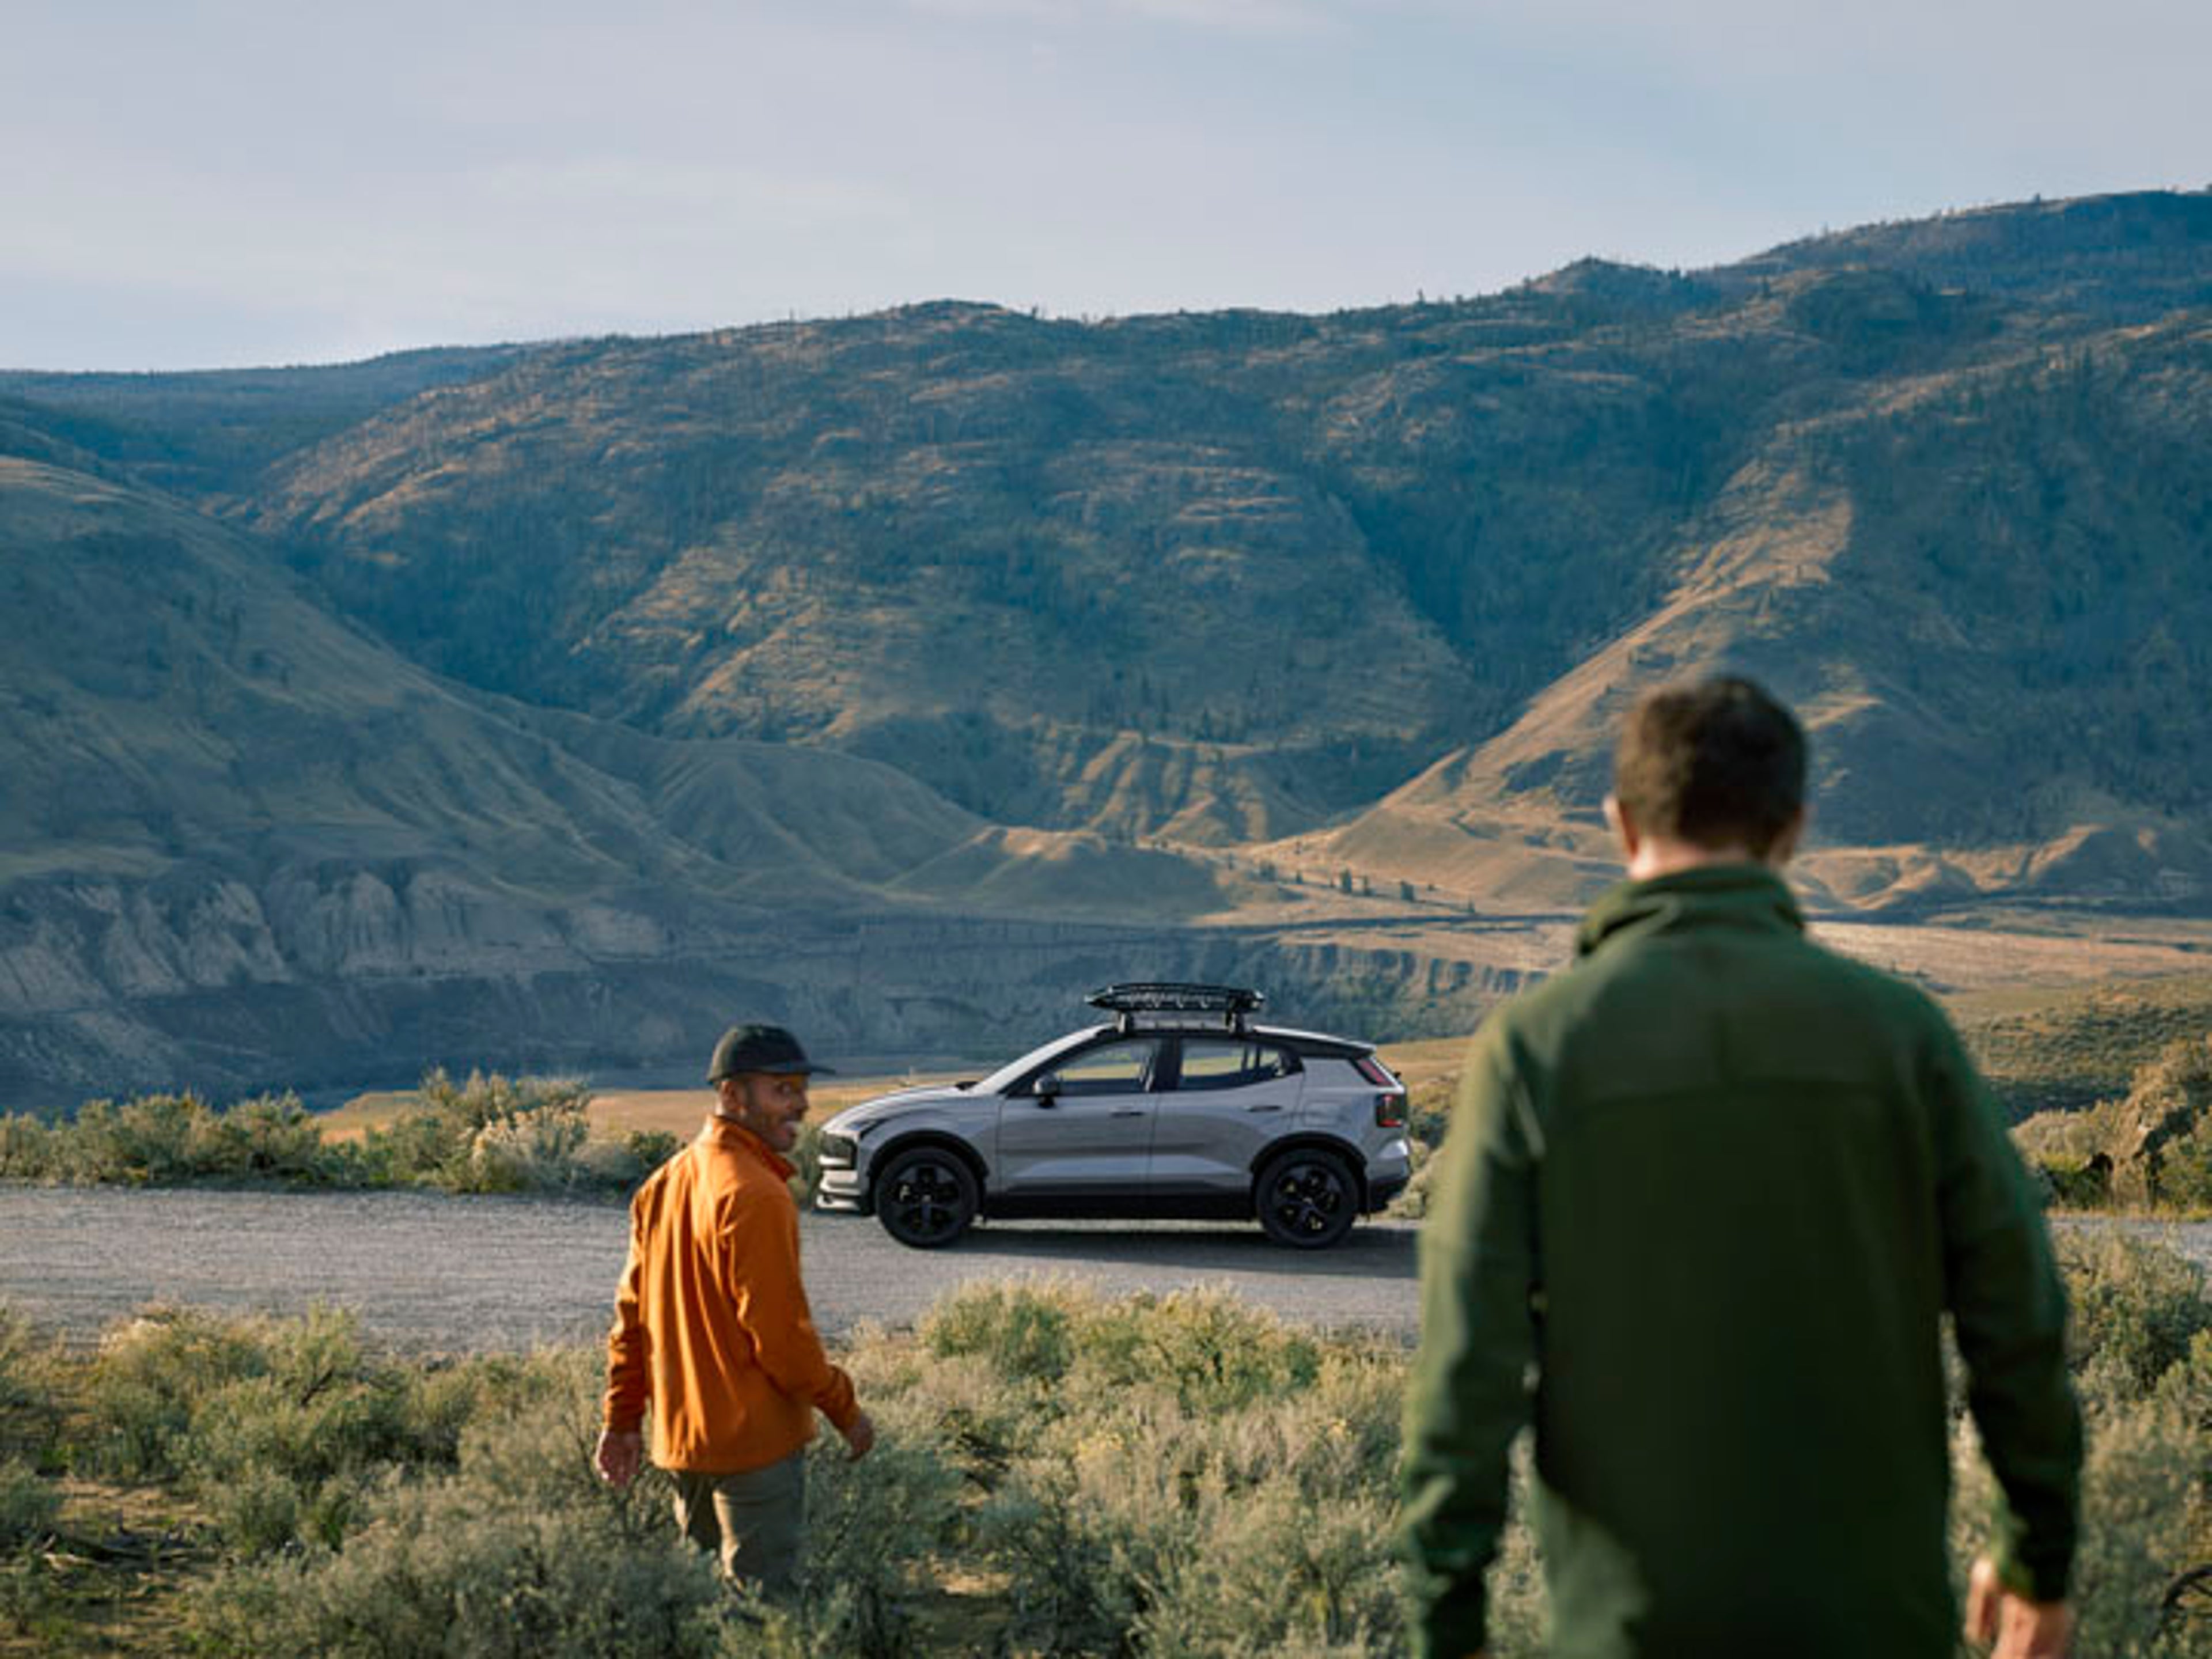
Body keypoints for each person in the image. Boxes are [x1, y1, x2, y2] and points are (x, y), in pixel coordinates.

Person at [1400, 676, 2081, 1659]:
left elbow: (1466, 1372)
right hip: (1875, 1628)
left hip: (1627, 1632)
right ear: (1792, 831)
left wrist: (1446, 1622)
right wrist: (2035, 1562)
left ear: (1621, 822)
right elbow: (2018, 1317)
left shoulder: (1538, 1049)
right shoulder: (1902, 1038)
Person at [595, 1022, 875, 1592]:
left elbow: (631, 1323)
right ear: (731, 1096)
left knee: (707, 1611)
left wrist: (623, 1421)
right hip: (756, 1449)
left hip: (681, 1446)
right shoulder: (756, 1193)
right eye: (782, 1090)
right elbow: (783, 1342)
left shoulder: (664, 1183)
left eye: (799, 1088)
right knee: (762, 1615)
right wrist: (845, 1409)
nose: (800, 1103)